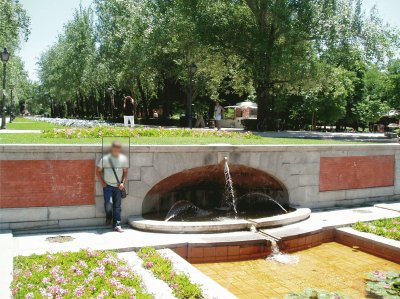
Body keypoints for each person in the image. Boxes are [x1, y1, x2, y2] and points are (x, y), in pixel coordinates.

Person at [96, 141, 129, 233]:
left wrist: (123, 183)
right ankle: (109, 217)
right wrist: (102, 182)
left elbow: (126, 172)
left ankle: (117, 225)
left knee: (117, 207)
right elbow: (97, 171)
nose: (116, 150)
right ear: (112, 149)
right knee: (108, 204)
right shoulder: (105, 159)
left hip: (118, 187)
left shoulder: (123, 159)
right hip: (108, 186)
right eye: (115, 148)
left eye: (118, 149)